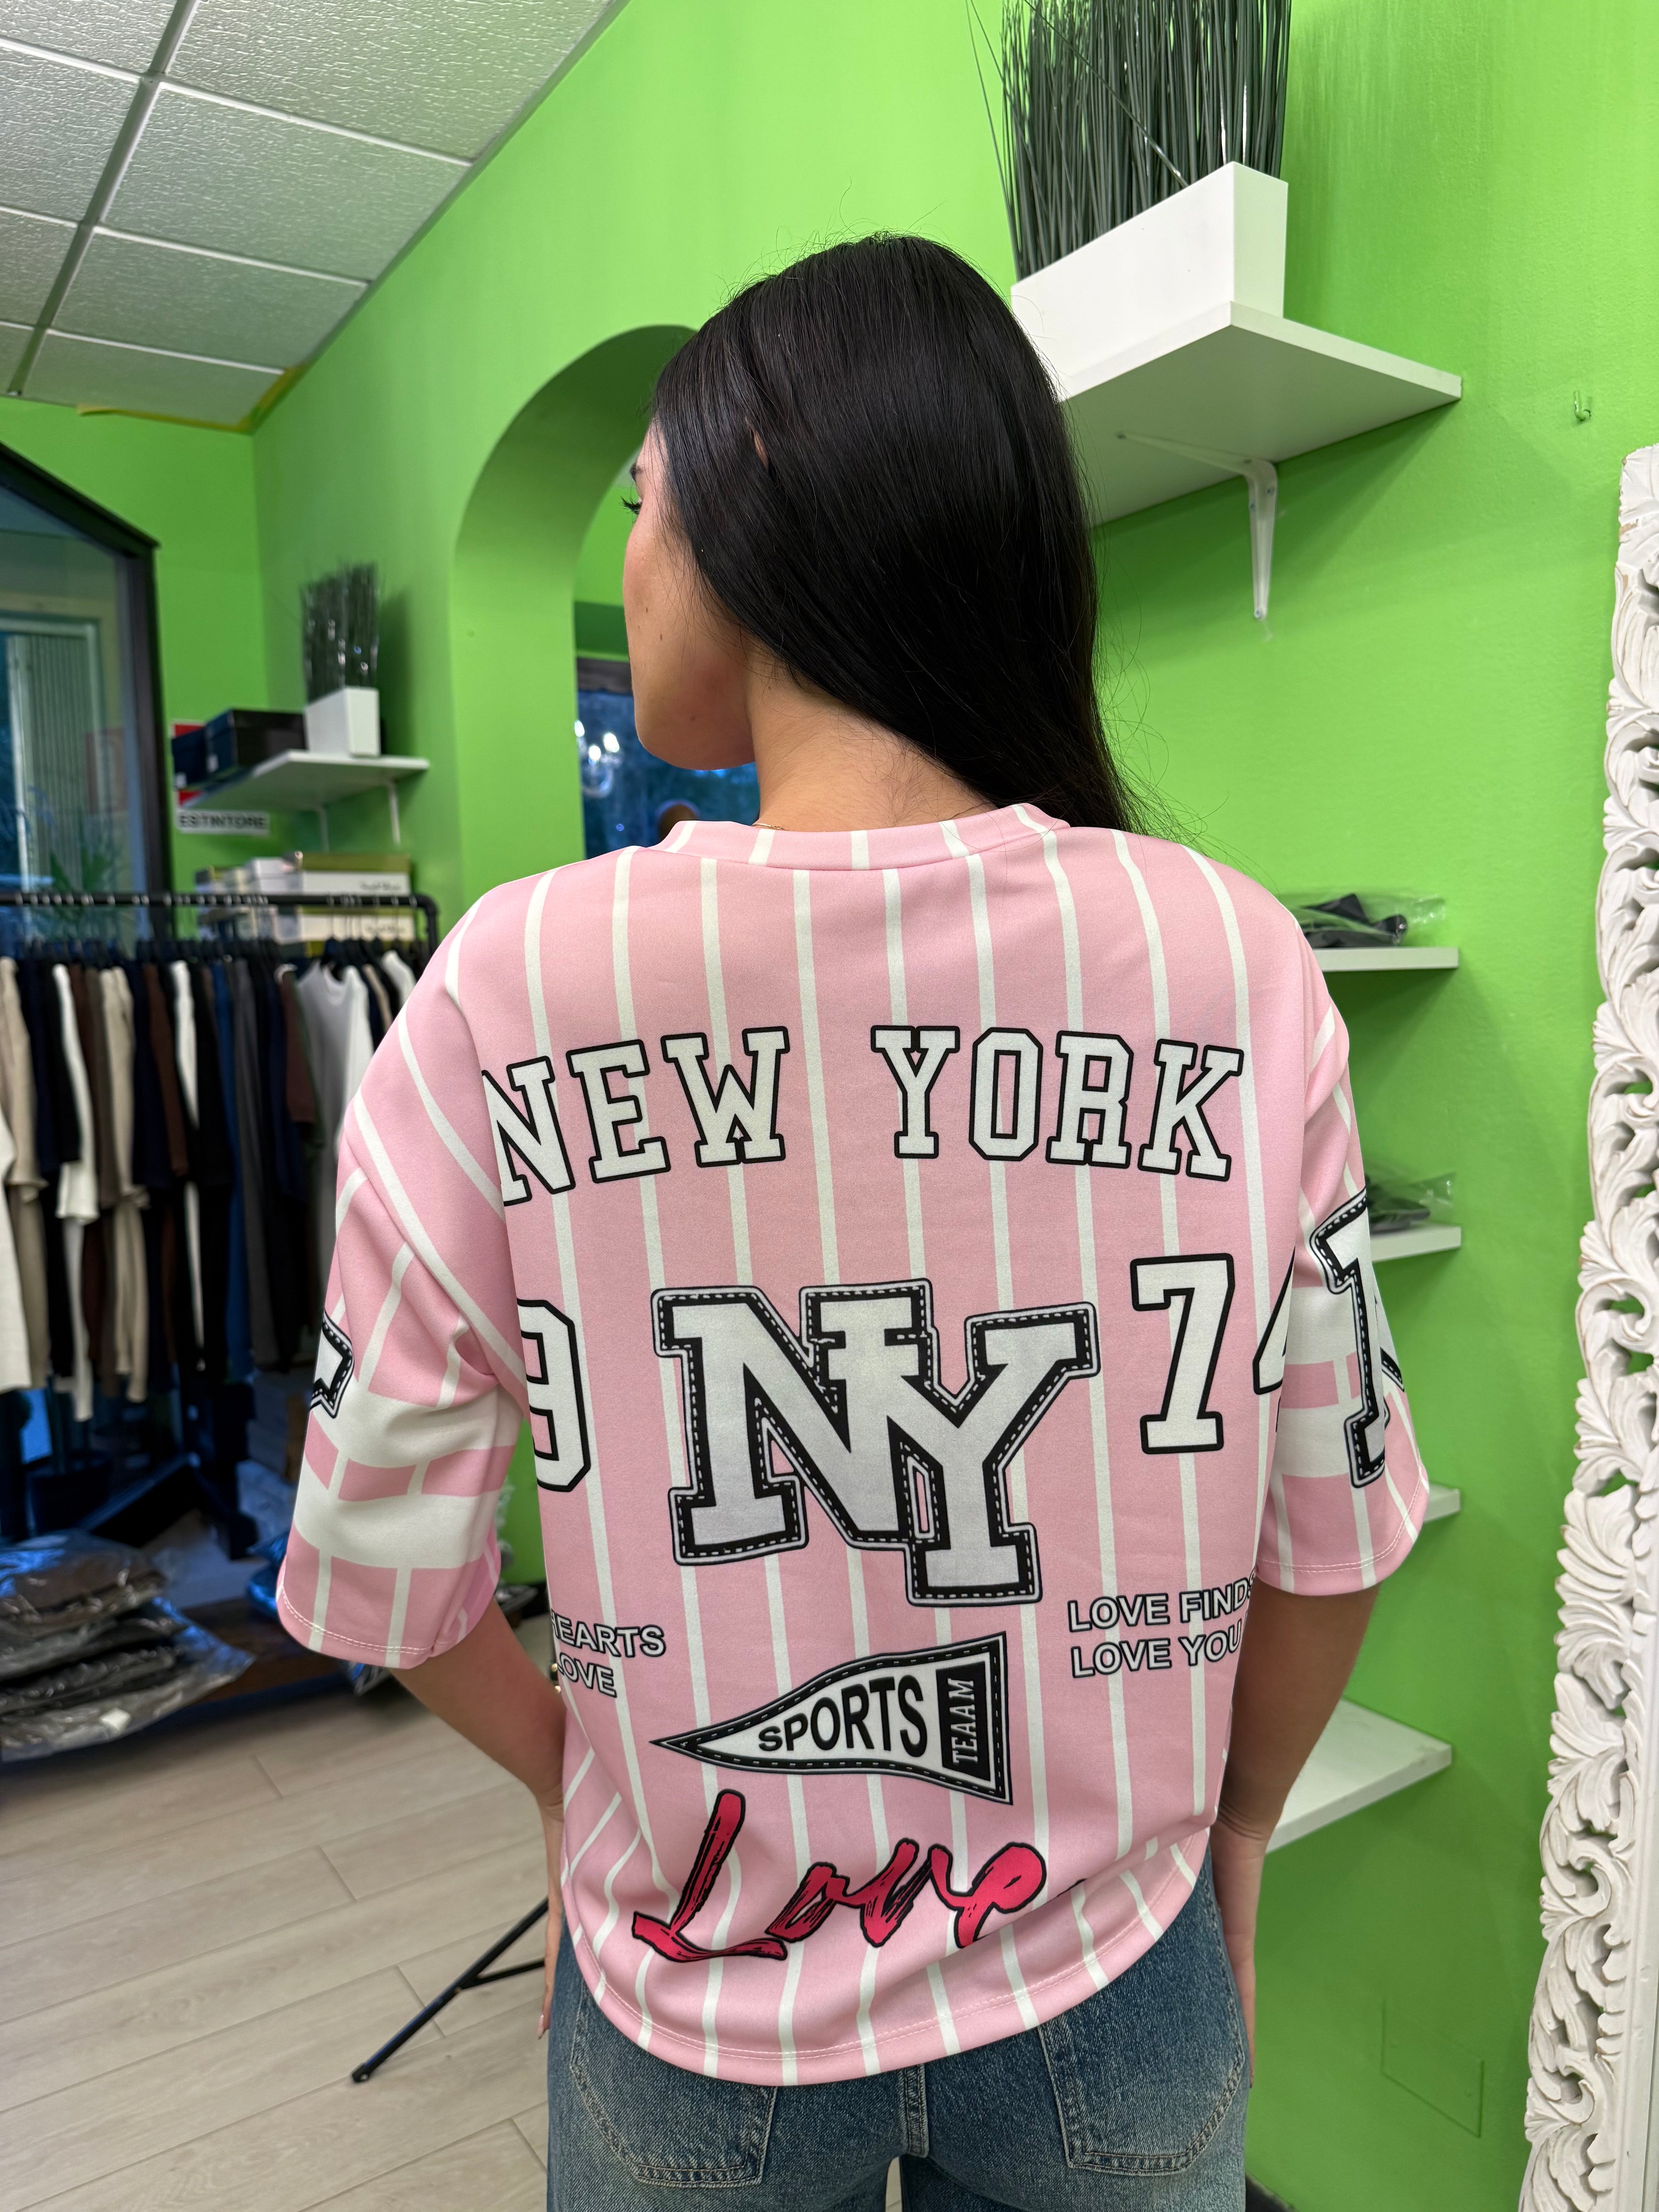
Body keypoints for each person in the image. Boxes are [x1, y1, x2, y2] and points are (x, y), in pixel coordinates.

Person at [276, 235, 1426, 2211]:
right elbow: (1331, 1513)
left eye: (643, 498)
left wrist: (577, 1789)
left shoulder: (515, 982)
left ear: (754, 510)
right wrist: (1234, 1824)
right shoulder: (1231, 962)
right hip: (1112, 1978)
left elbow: (380, 1546)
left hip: (688, 1985)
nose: (633, 549)